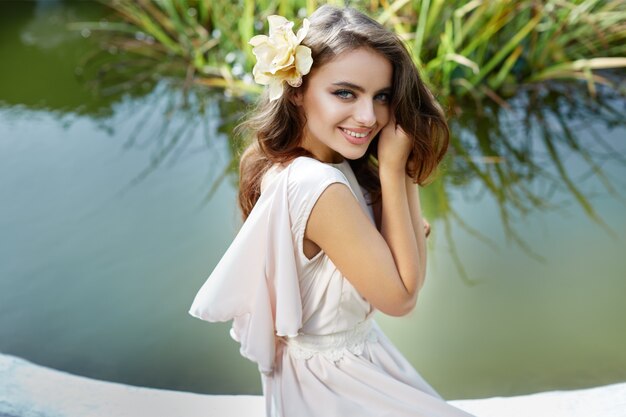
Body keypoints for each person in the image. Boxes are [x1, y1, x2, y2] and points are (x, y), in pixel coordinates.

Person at [189, 5, 477, 417]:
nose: (368, 117)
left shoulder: (299, 162)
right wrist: (398, 168)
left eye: (382, 97)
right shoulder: (317, 185)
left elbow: (399, 257)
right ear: (297, 89)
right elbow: (402, 298)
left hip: (341, 368)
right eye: (345, 93)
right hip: (336, 386)